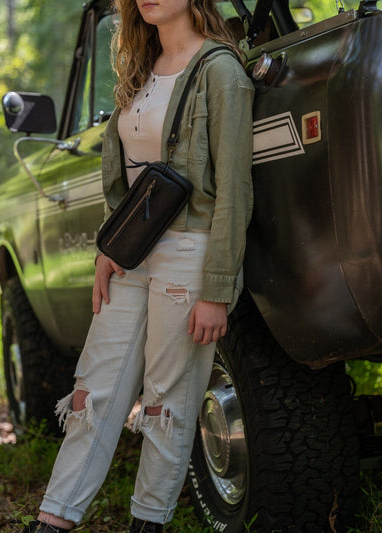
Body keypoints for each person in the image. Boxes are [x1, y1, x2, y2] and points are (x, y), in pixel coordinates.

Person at [24, 0, 254, 532]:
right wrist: (110, 248)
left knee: (166, 406)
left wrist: (217, 289)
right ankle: (52, 521)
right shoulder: (140, 69)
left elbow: (235, 189)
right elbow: (126, 175)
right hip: (133, 256)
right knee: (92, 394)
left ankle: (148, 523)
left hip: (190, 252)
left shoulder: (220, 72)